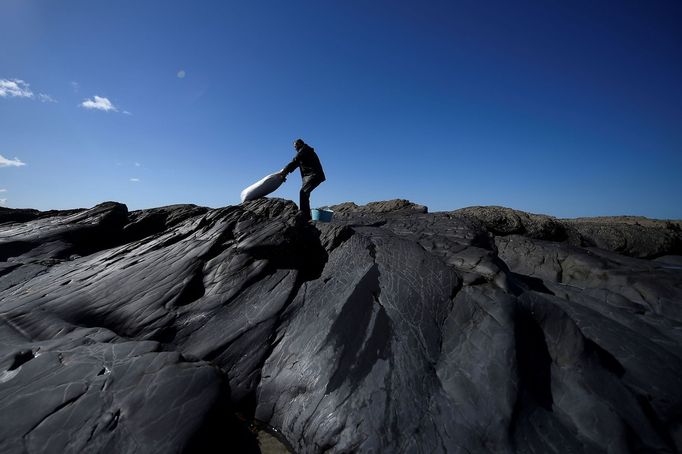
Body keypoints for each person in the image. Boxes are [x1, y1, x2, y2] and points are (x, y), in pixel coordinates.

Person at [279, 139, 326, 220]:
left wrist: (283, 173)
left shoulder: (305, 150)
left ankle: (305, 216)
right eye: (294, 147)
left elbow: (295, 160)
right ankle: (306, 215)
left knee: (303, 193)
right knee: (304, 194)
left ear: (301, 144)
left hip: (314, 175)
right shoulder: (304, 152)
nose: (295, 148)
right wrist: (285, 173)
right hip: (310, 176)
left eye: (296, 146)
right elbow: (296, 164)